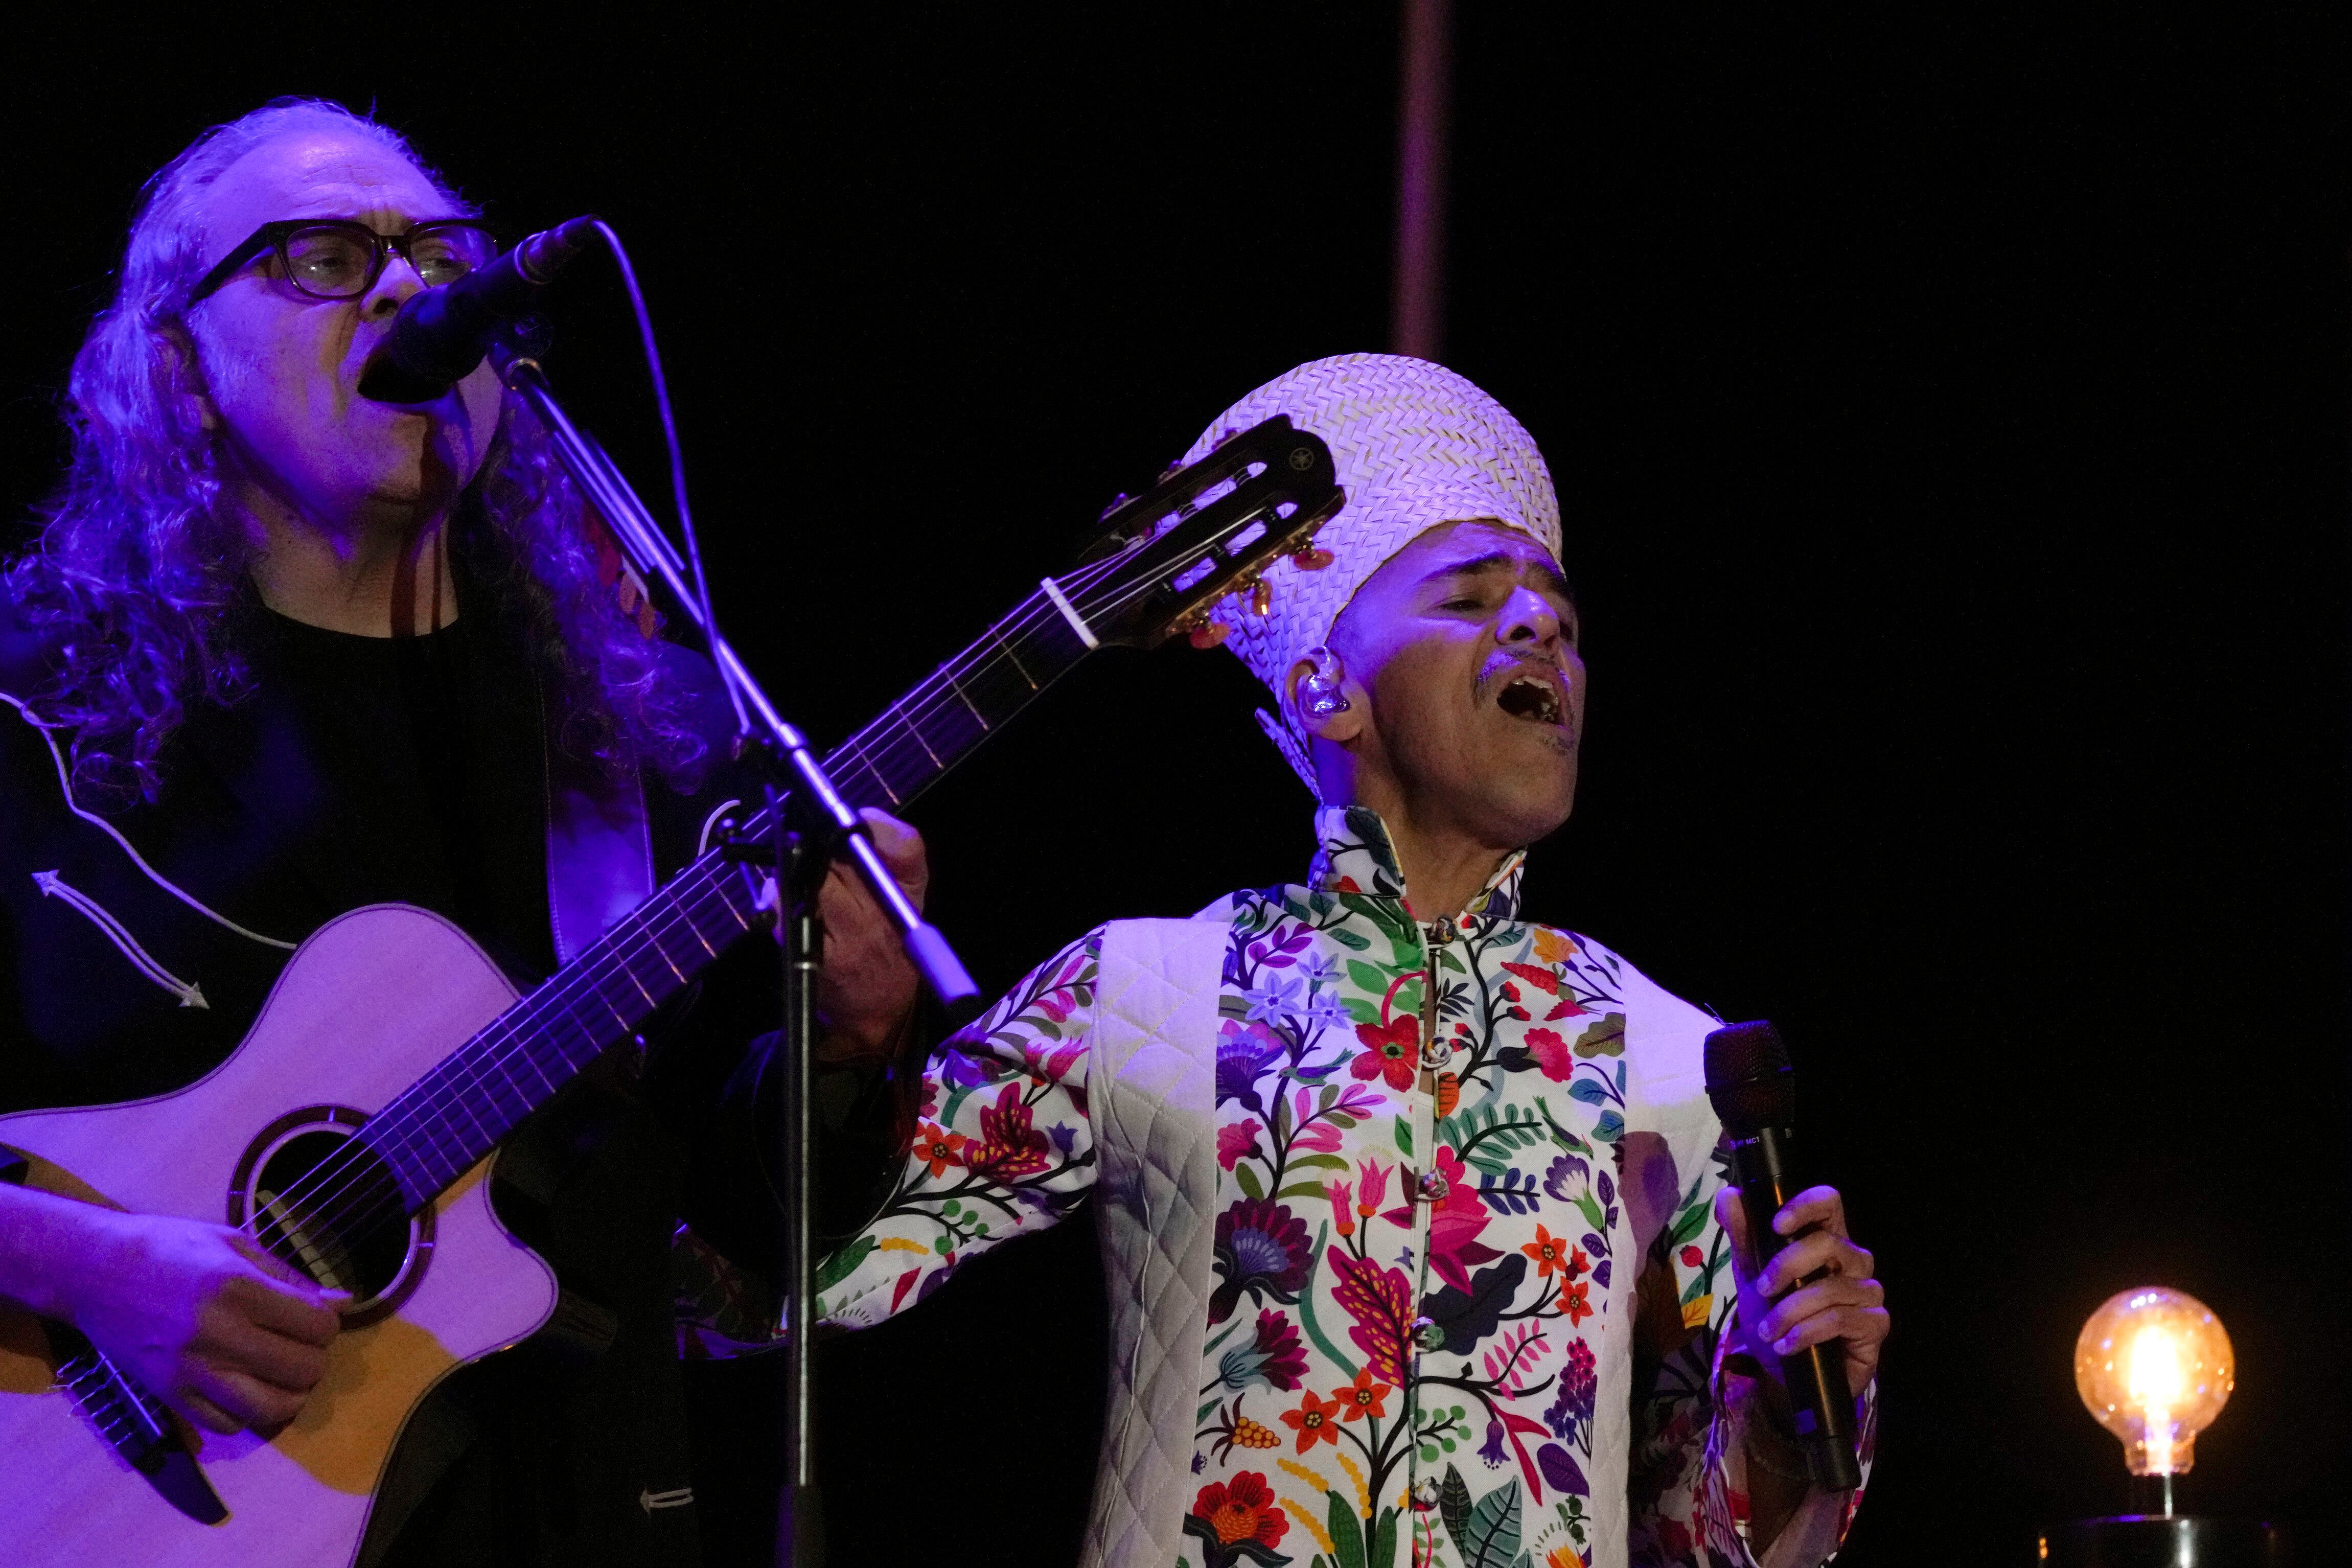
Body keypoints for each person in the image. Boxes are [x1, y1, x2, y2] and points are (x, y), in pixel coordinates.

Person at [0, 99, 919, 1566]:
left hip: (574, 1508)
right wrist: (80, 1259)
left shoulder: (649, 742)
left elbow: (751, 1256)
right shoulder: (29, 709)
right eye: (316, 255)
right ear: (174, 367)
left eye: (440, 248)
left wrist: (848, 1043)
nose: (409, 286)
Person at [815, 355, 1889, 1568]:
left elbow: (1691, 1537)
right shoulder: (1148, 991)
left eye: (1562, 616)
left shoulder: (1673, 1055)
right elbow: (805, 1290)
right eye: (1470, 596)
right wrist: (853, 1048)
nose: (1541, 625)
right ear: (1328, 686)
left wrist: (1796, 1416)